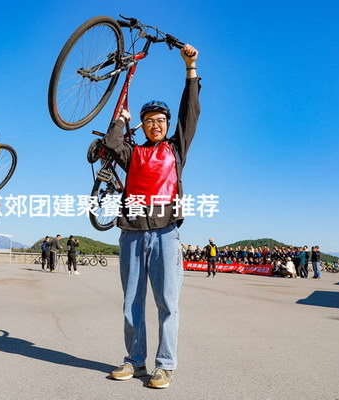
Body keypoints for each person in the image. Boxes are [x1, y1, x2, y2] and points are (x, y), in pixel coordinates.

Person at [104, 44, 201, 389]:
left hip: (166, 234)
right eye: (149, 121)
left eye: (160, 121)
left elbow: (189, 113)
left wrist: (190, 69)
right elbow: (113, 143)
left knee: (167, 303)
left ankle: (165, 366)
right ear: (143, 126)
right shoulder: (134, 153)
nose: (156, 125)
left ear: (166, 125)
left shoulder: (175, 148)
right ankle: (134, 361)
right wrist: (122, 118)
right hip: (131, 232)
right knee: (132, 301)